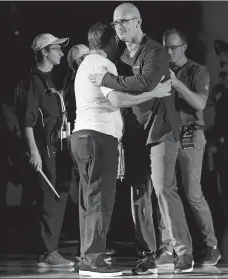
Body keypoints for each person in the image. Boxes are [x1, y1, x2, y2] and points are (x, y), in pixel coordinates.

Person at [88, 3, 194, 274]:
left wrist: (109, 80)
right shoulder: (121, 57)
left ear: (138, 22)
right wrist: (115, 83)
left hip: (161, 131)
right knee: (138, 194)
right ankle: (147, 253)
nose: (119, 27)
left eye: (124, 21)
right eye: (115, 23)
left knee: (163, 189)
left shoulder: (156, 51)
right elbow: (126, 96)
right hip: (134, 133)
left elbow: (146, 82)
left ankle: (183, 253)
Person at [71, 22, 172, 277]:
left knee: (88, 199)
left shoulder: (85, 64)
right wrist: (156, 92)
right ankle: (93, 261)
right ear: (112, 42)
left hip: (82, 135)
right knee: (99, 200)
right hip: (99, 137)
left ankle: (88, 257)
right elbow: (117, 99)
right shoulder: (103, 65)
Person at [159, 28, 221, 266]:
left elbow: (199, 103)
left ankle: (211, 245)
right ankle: (167, 247)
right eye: (165, 47)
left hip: (190, 134)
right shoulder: (163, 72)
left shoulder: (198, 71)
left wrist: (176, 84)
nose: (168, 52)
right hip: (166, 136)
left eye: (172, 47)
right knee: (164, 191)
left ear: (184, 47)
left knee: (193, 194)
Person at [19, 33, 74, 267]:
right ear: (44, 52)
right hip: (45, 150)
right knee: (49, 199)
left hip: (58, 148)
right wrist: (34, 152)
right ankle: (47, 252)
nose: (61, 52)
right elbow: (27, 120)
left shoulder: (48, 79)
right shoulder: (33, 81)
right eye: (56, 49)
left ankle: (50, 250)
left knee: (58, 197)